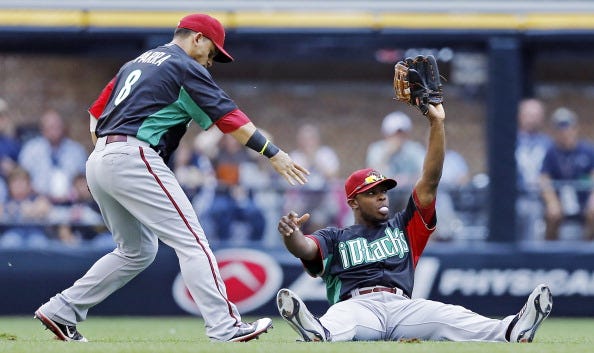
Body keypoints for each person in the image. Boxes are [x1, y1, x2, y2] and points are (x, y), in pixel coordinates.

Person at [34, 13, 309, 343]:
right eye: (212, 52)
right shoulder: (184, 66)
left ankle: (61, 309)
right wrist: (274, 153)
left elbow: (96, 112)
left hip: (101, 158)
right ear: (197, 38)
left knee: (136, 251)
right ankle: (226, 327)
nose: (212, 61)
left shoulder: (135, 63)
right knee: (192, 242)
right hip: (133, 156)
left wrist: (109, 152)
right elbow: (231, 119)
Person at [275, 102, 553, 343]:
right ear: (353, 202)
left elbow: (430, 181)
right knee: (341, 319)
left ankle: (512, 330)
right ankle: (318, 331)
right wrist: (291, 234)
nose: (382, 196)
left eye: (383, 190)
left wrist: (436, 123)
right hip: (358, 305)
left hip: (402, 306)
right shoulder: (336, 236)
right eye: (371, 193)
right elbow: (305, 249)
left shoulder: (404, 226)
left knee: (451, 315)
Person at [201, 133, 267, 243]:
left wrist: (244, 131)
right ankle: (223, 244)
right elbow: (202, 145)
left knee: (256, 213)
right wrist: (220, 130)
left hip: (244, 196)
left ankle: (256, 245)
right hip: (222, 194)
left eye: (234, 137)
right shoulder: (217, 154)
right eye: (229, 137)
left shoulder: (247, 155)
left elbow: (266, 139)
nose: (232, 141)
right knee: (220, 211)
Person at [540, 107, 594, 241]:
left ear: (576, 128)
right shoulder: (551, 152)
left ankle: (587, 251)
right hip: (560, 201)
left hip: (583, 200)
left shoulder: (587, 150)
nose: (565, 133)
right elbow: (543, 178)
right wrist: (552, 202)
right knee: (552, 214)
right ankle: (549, 254)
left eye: (568, 128)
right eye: (560, 129)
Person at [18, 108, 88, 203]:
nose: (54, 131)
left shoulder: (77, 151)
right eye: (50, 127)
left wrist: (76, 191)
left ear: (63, 128)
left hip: (71, 203)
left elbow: (84, 181)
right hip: (37, 202)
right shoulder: (30, 150)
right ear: (42, 129)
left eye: (57, 126)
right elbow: (21, 179)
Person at [285, 123, 344, 234]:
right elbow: (292, 180)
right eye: (304, 139)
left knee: (319, 218)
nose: (308, 142)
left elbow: (333, 175)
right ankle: (296, 244)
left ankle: (317, 245)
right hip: (302, 198)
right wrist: (306, 161)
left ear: (317, 140)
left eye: (311, 138)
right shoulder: (295, 156)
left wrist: (315, 160)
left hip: (324, 198)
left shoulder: (326, 154)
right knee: (292, 215)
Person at [366, 111, 425, 211]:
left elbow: (425, 173)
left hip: (410, 192)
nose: (398, 137)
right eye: (395, 133)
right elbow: (373, 175)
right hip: (385, 193)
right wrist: (388, 153)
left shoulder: (415, 149)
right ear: (386, 134)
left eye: (401, 133)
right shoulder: (376, 149)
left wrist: (408, 180)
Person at [515, 98, 553, 241]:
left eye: (536, 115)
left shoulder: (548, 143)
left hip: (541, 198)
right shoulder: (510, 141)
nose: (533, 119)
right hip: (517, 195)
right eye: (529, 115)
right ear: (520, 116)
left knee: (534, 212)